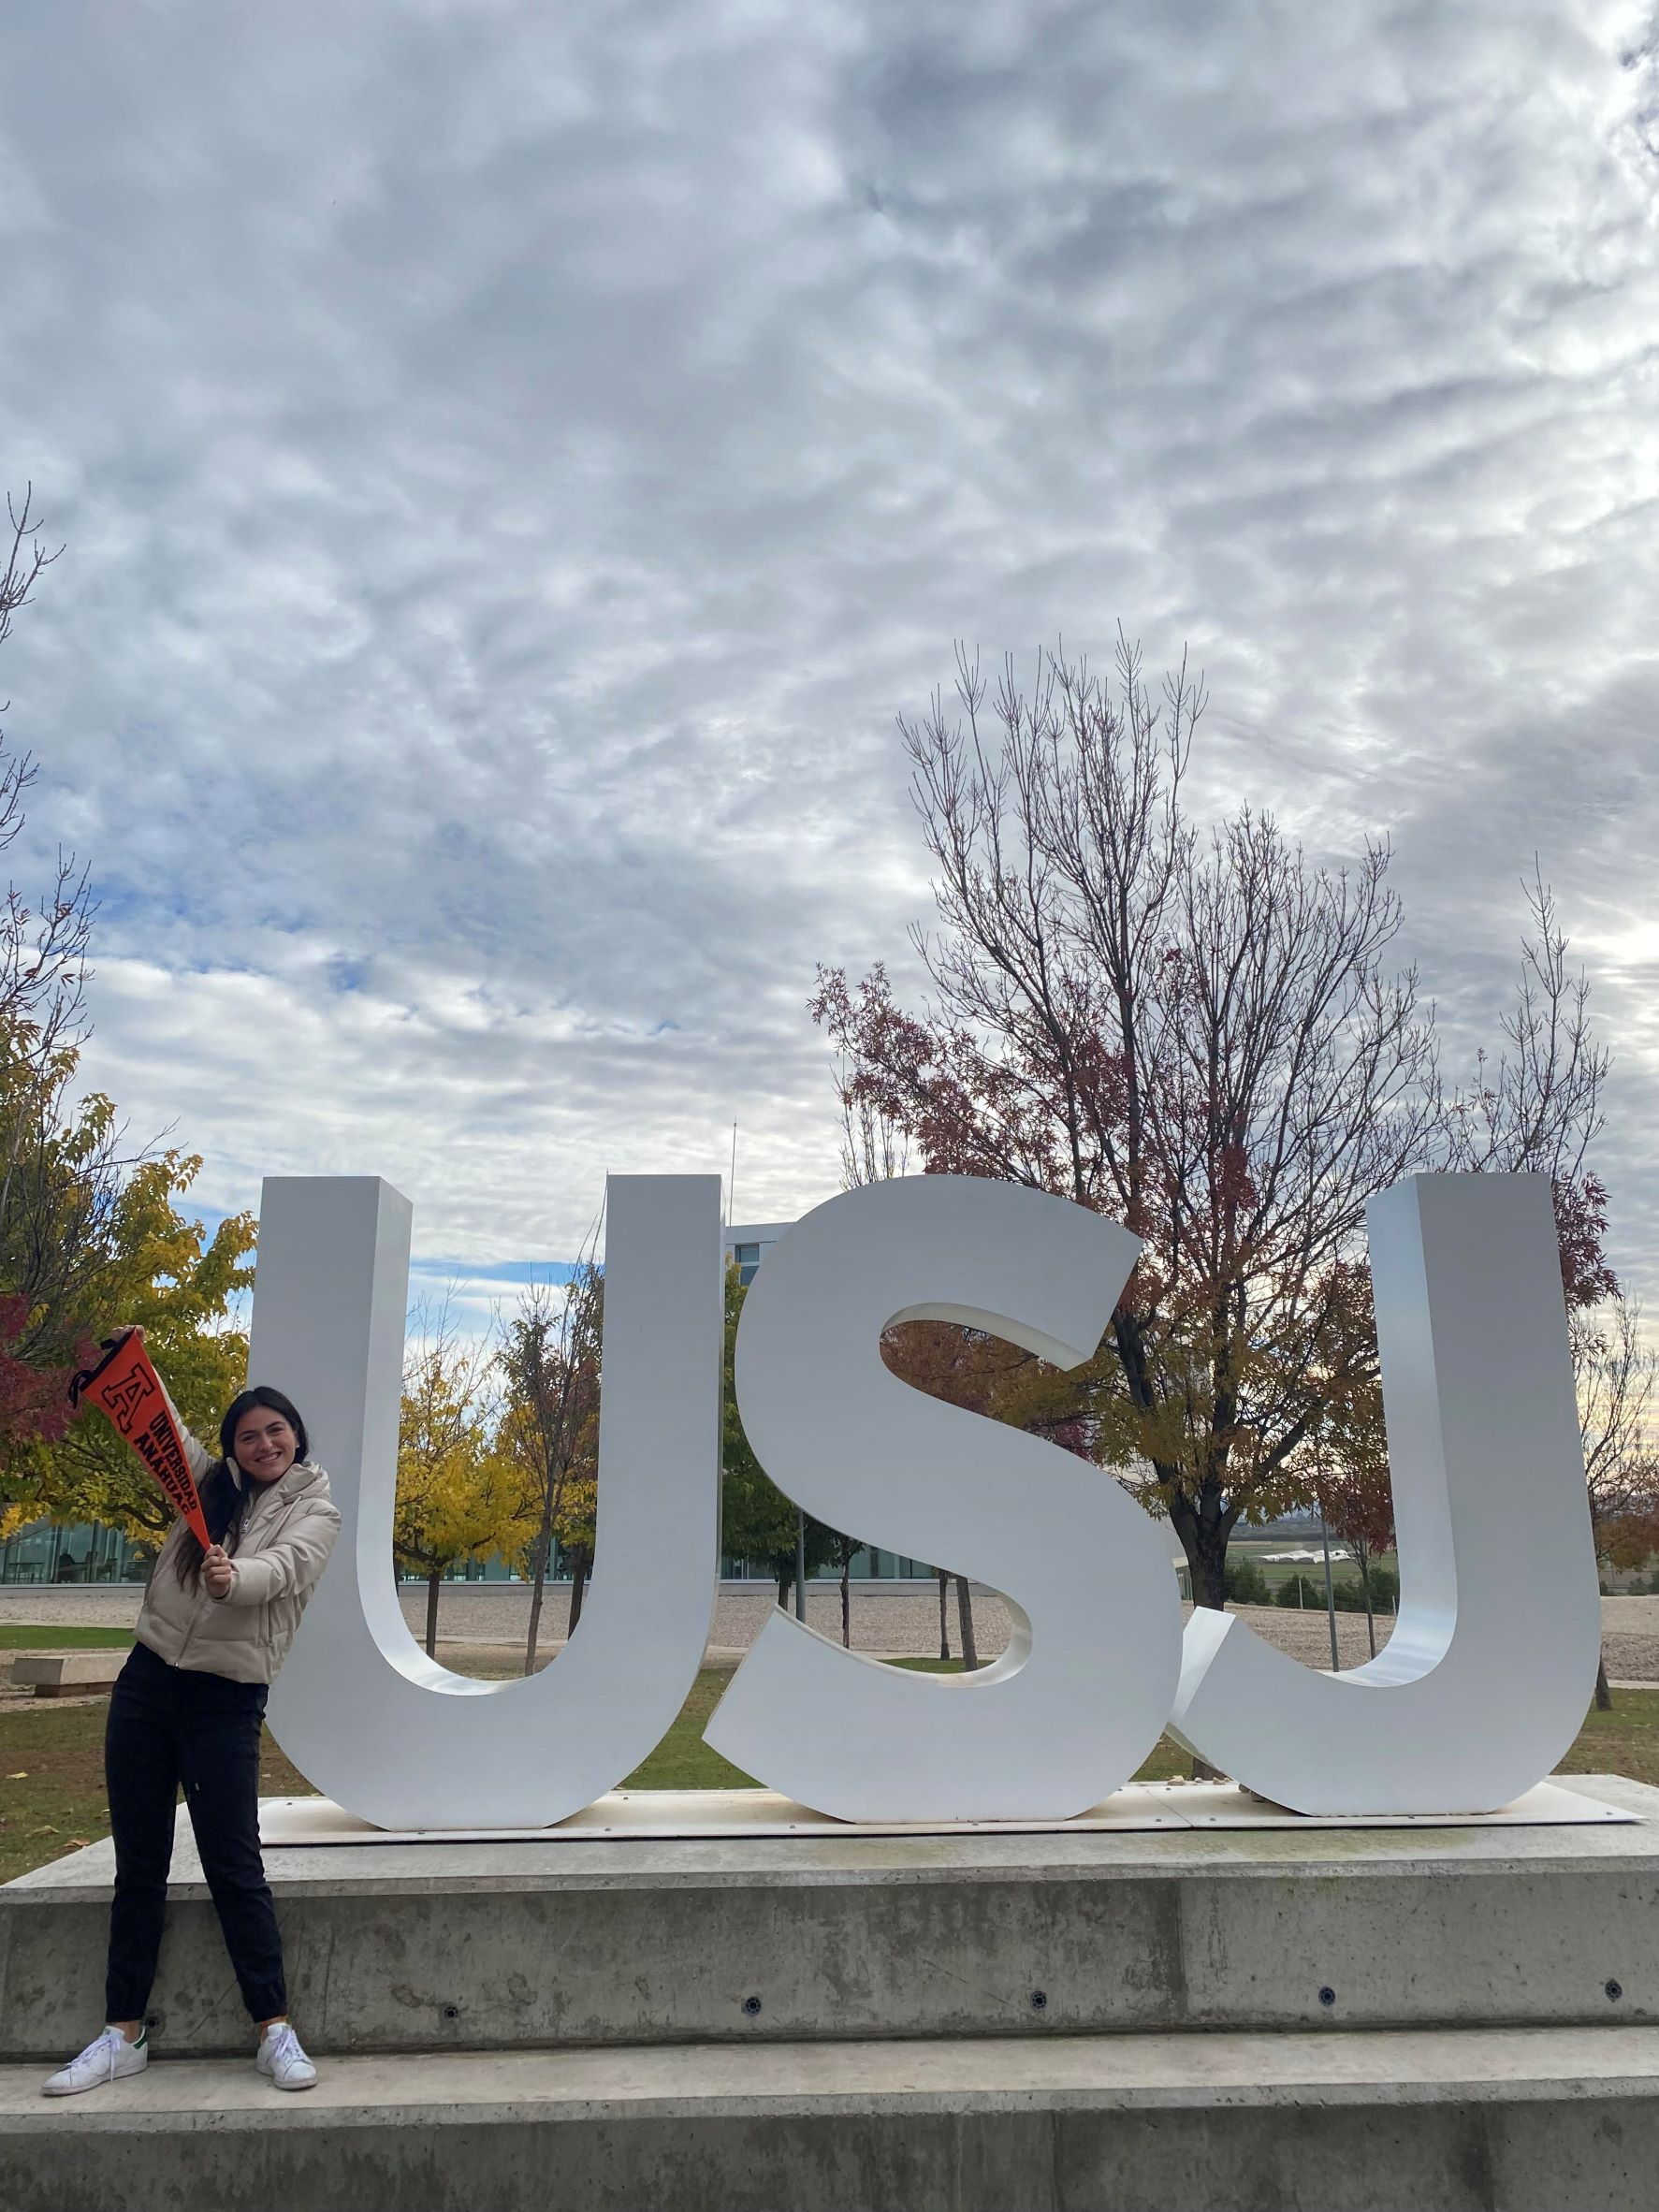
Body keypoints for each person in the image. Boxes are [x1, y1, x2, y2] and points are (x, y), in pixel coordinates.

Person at [43, 1340, 342, 2097]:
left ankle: (273, 2029)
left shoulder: (317, 1510)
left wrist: (232, 1576)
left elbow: (284, 1571)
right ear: (234, 1446)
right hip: (147, 1687)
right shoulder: (205, 1487)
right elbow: (164, 1430)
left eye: (275, 1430)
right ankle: (123, 2033)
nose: (264, 1443)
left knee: (233, 1868)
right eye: (249, 1434)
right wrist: (125, 1374)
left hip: (223, 1702)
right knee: (137, 1866)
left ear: (297, 1436)